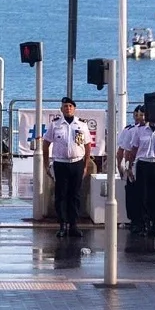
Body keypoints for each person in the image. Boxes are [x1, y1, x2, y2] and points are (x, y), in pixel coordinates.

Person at [41, 97, 91, 238]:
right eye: (65, 106)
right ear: (61, 109)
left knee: (75, 195)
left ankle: (74, 225)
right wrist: (46, 164)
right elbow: (46, 144)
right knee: (61, 195)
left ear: (74, 108)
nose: (68, 108)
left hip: (77, 163)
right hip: (60, 163)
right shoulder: (55, 124)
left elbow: (87, 146)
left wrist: (86, 166)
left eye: (70, 106)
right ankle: (62, 225)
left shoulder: (81, 125)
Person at [125, 116, 155, 237]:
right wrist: (130, 166)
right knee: (142, 194)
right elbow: (134, 150)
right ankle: (143, 222)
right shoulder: (140, 130)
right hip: (143, 163)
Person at [117, 105, 145, 233]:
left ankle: (147, 220)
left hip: (146, 165)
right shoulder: (129, 130)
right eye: (137, 114)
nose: (140, 117)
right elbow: (123, 150)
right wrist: (121, 166)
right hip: (132, 166)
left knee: (146, 194)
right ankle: (134, 220)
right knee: (133, 194)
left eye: (142, 114)